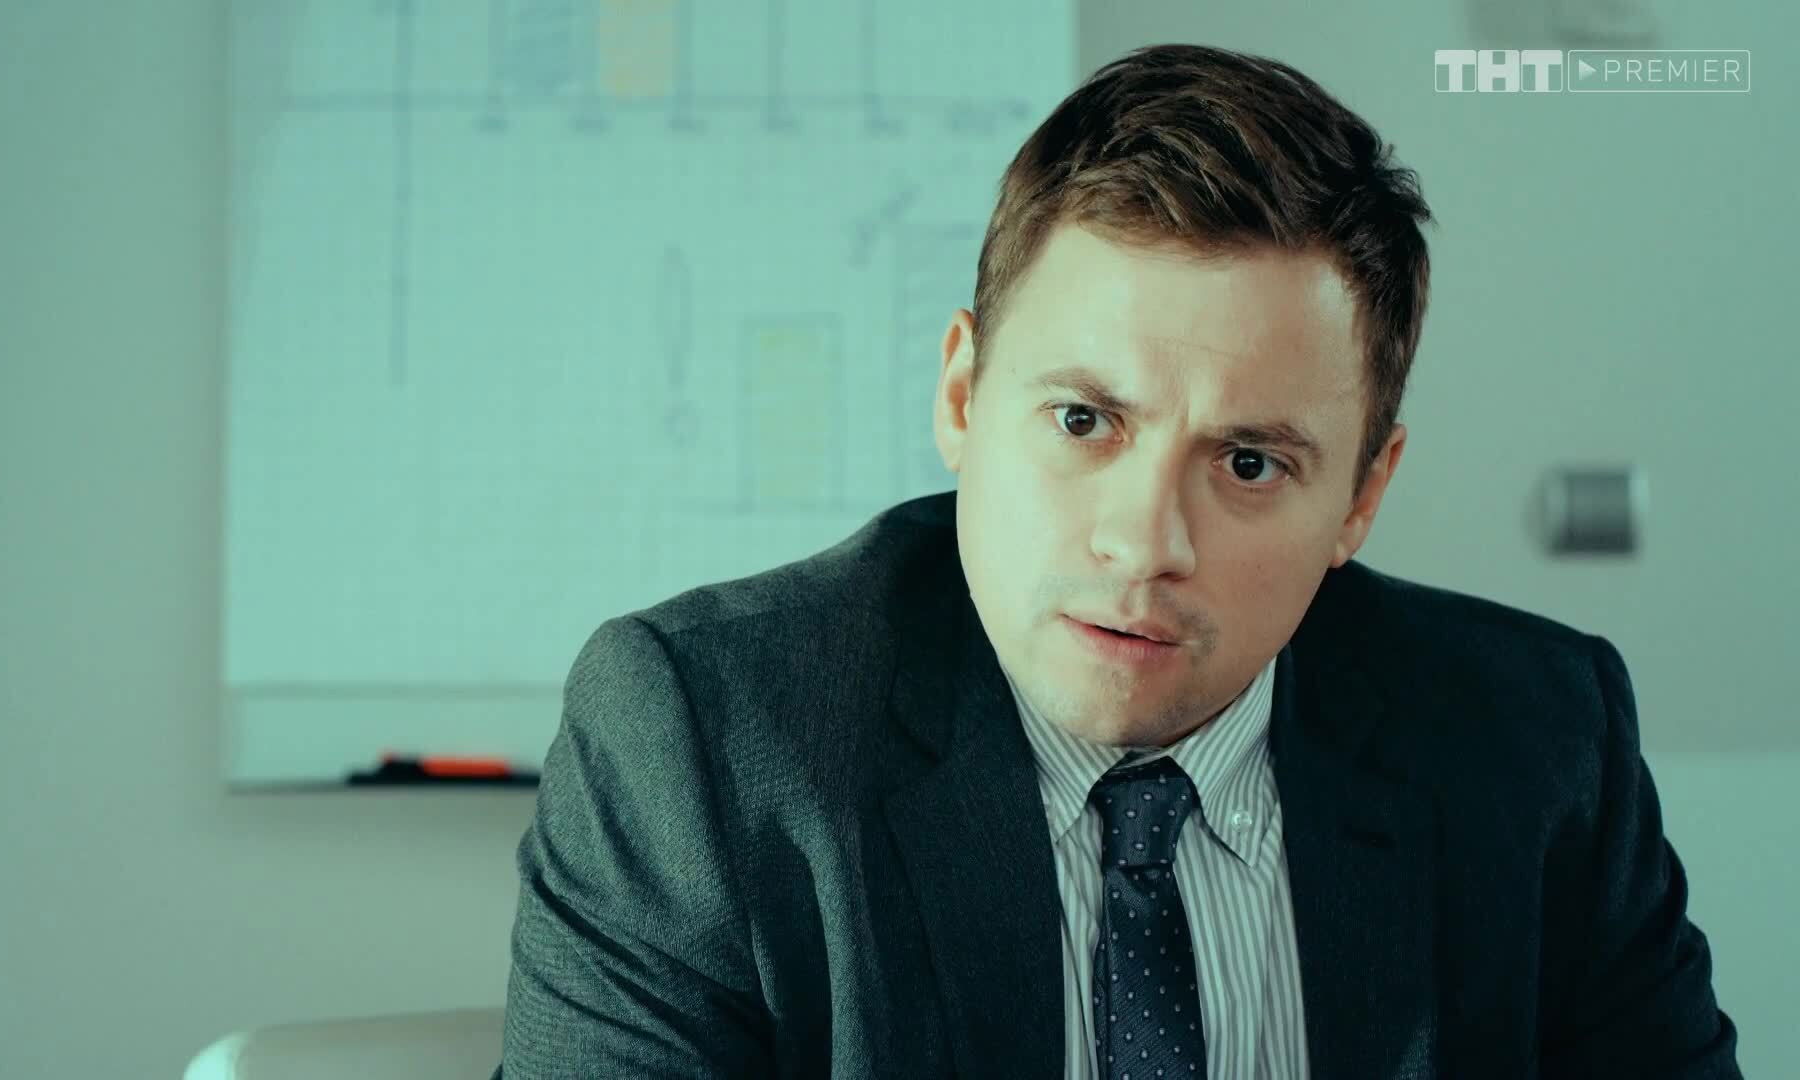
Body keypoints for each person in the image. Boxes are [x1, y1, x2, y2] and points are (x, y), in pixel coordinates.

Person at [498, 43, 1741, 1079]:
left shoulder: (1538, 748)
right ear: (962, 396)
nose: (1146, 545)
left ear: (1363, 497)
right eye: (1084, 421)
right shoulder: (707, 743)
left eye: (1248, 463)